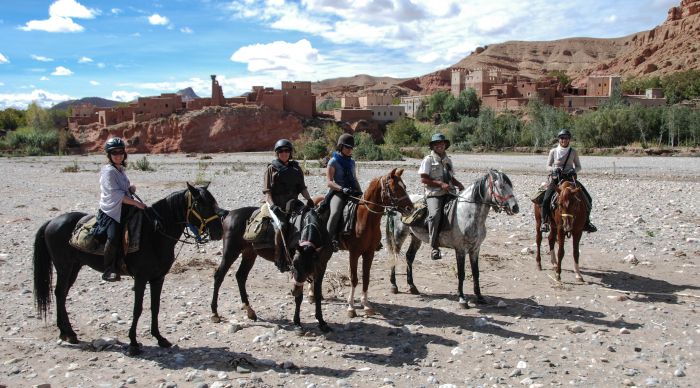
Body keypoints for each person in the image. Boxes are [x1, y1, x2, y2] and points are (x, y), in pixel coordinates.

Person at [91, 137, 145, 282]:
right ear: (109, 155)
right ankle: (109, 269)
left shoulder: (119, 169)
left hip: (124, 207)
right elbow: (115, 194)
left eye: (120, 152)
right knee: (114, 236)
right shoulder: (108, 172)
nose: (118, 155)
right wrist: (136, 203)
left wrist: (130, 187)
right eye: (114, 153)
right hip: (111, 211)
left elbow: (122, 187)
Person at [263, 139, 315, 272]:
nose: (284, 153)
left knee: (309, 218)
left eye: (287, 151)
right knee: (282, 225)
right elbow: (267, 192)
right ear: (277, 153)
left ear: (290, 153)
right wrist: (273, 206)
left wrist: (309, 199)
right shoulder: (271, 168)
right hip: (276, 204)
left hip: (293, 203)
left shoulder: (296, 168)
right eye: (281, 151)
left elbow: (302, 188)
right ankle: (279, 256)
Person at [540, 129, 597, 233]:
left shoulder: (573, 152)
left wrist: (573, 170)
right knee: (546, 199)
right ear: (559, 140)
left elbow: (579, 166)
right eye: (562, 138)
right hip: (556, 179)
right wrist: (553, 169)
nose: (563, 140)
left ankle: (587, 222)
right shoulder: (553, 151)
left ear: (569, 140)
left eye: (566, 138)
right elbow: (547, 166)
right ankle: (544, 222)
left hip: (570, 179)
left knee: (588, 198)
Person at [418, 133, 464, 261]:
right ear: (433, 146)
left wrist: (458, 184)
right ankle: (434, 246)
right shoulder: (428, 159)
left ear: (445, 145)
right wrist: (440, 184)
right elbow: (423, 178)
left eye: (442, 143)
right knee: (435, 214)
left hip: (449, 191)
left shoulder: (448, 160)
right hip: (434, 193)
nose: (440, 145)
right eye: (437, 144)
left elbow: (450, 177)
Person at [323, 133, 362, 252]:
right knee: (335, 212)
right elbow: (329, 182)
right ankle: (328, 240)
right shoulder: (333, 162)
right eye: (347, 147)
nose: (350, 150)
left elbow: (354, 179)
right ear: (341, 147)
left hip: (352, 191)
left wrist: (361, 192)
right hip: (338, 192)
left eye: (351, 148)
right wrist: (342, 189)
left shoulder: (352, 162)